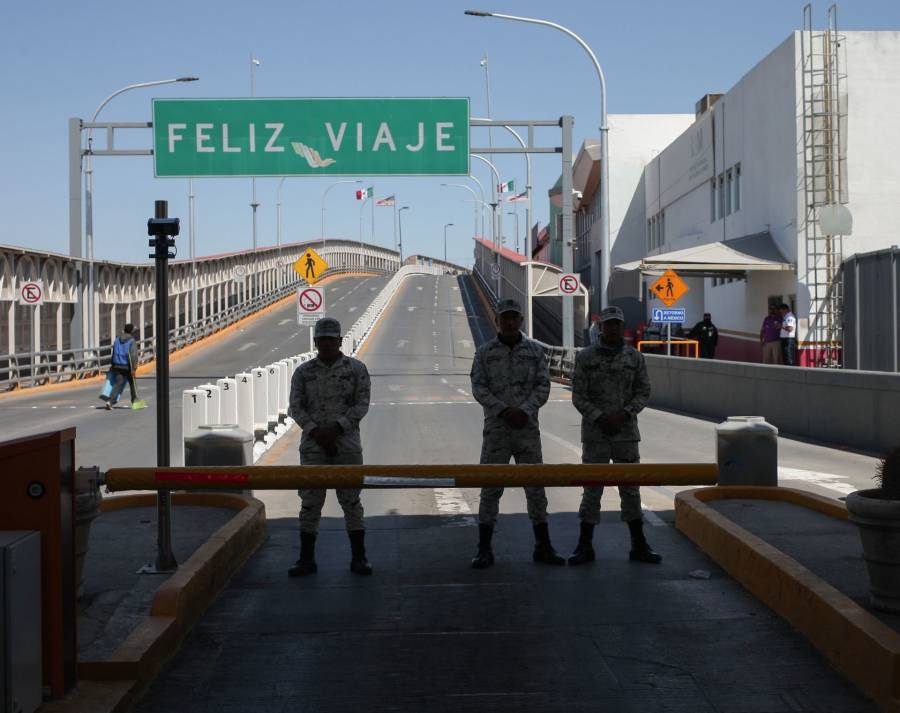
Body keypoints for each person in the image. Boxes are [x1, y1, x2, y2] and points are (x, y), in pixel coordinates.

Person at [469, 298, 564, 569]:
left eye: (514, 317)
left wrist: (525, 409)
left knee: (535, 489)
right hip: (497, 431)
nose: (509, 321)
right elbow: (479, 387)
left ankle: (543, 546)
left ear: (520, 320)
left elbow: (543, 386)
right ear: (496, 320)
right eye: (504, 317)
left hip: (527, 430)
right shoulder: (485, 353)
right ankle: (484, 549)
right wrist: (502, 410)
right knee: (490, 490)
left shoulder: (534, 352)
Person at [569, 305, 661, 566]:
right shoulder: (586, 357)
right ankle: (584, 546)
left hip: (626, 433)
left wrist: (625, 414)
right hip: (596, 434)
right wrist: (599, 416)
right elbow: (578, 395)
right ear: (600, 327)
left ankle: (639, 545)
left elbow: (643, 391)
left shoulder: (635, 357)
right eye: (608, 324)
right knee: (592, 490)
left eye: (617, 324)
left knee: (631, 490)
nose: (612, 328)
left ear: (622, 327)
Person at [287, 317, 372, 577]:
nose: (326, 344)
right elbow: (295, 406)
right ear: (315, 342)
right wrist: (315, 431)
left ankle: (359, 558)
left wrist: (336, 428)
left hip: (346, 445)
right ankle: (306, 559)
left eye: (331, 339)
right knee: (310, 503)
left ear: (340, 340)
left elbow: (362, 404)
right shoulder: (303, 372)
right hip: (313, 447)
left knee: (351, 501)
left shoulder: (356, 369)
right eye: (322, 339)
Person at [99, 323, 143, 410]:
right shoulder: (132, 341)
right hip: (127, 366)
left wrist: (113, 365)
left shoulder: (117, 340)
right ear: (132, 331)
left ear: (124, 330)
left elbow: (114, 353)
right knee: (133, 384)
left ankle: (110, 401)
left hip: (117, 365)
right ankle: (135, 402)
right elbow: (133, 355)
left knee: (118, 384)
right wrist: (133, 368)